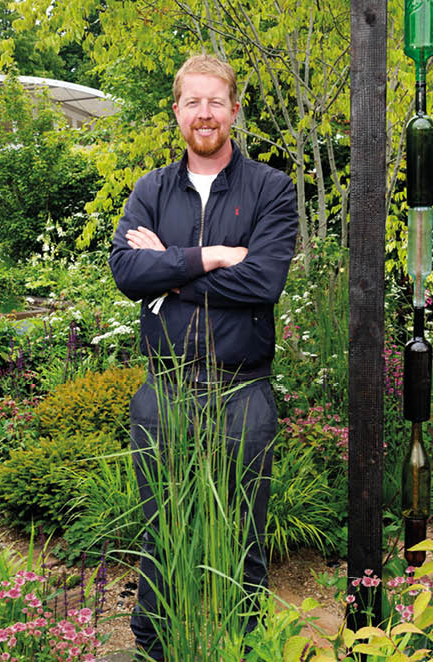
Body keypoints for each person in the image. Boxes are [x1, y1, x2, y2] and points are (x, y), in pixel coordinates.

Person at [108, 53, 298, 660]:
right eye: (193, 101)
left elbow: (264, 283)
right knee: (160, 533)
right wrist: (215, 255)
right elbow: (125, 270)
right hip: (165, 389)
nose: (205, 113)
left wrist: (172, 268)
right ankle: (155, 648)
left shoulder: (271, 188)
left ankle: (243, 647)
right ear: (177, 112)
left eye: (216, 101)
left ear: (234, 110)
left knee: (245, 536)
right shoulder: (151, 190)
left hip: (244, 389)